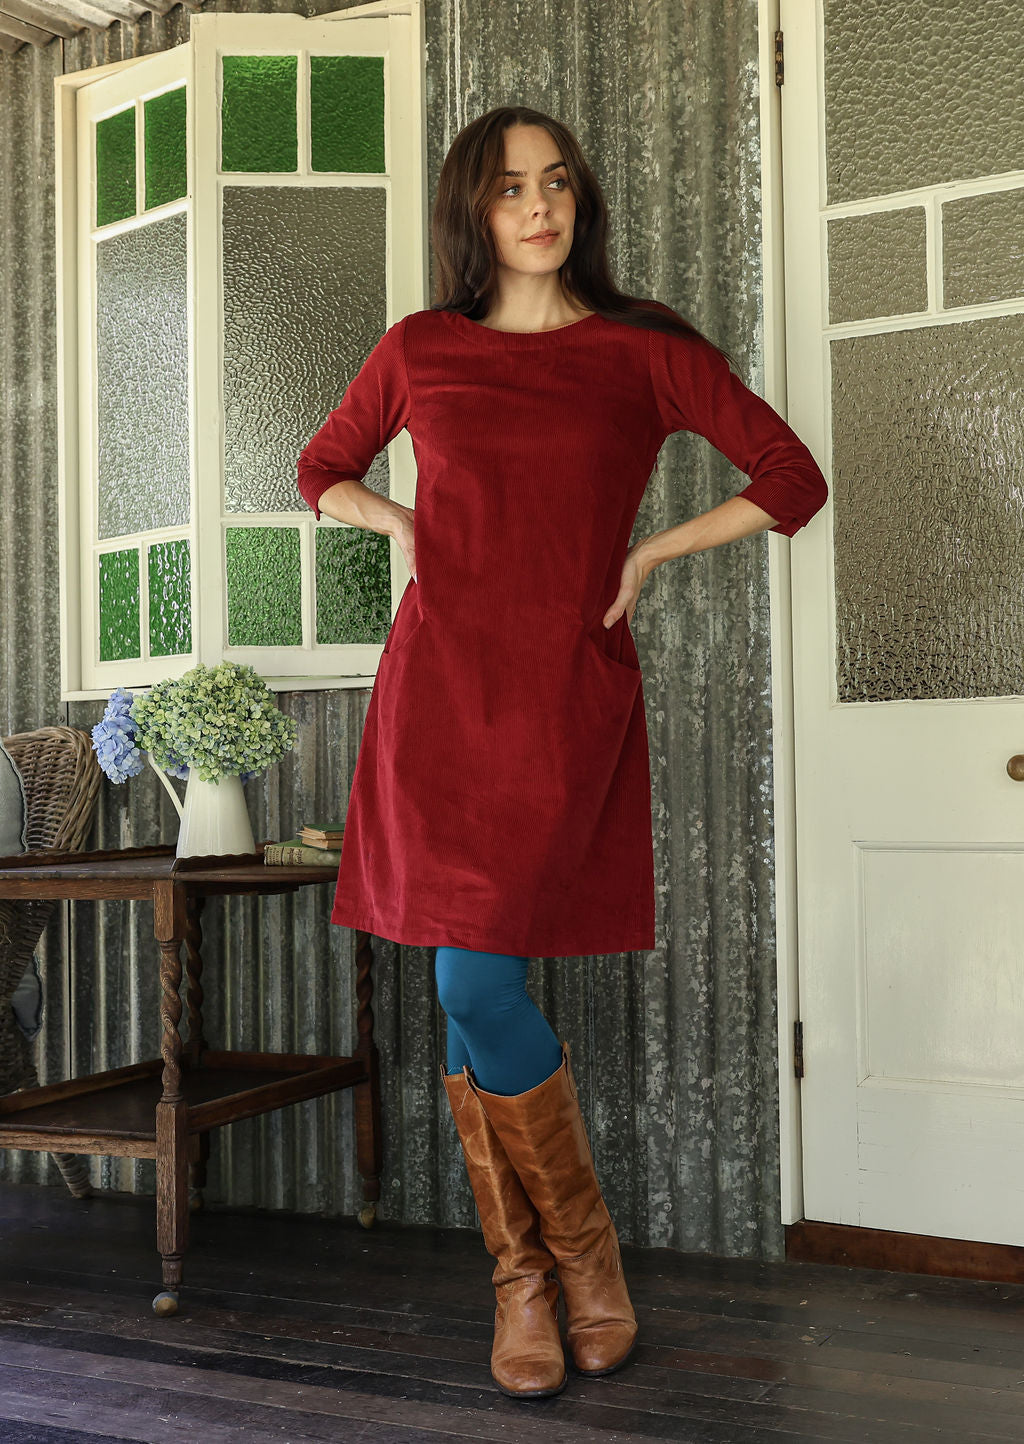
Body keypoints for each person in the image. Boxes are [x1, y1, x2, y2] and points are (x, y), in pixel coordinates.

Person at [297, 105, 828, 1401]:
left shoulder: (644, 350)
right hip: (437, 697)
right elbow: (320, 464)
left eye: (558, 184)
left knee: (474, 990)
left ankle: (567, 1266)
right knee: (466, 988)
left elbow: (791, 476)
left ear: (579, 200)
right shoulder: (421, 348)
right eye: (509, 189)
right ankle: (537, 1277)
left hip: (561, 703)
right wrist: (394, 519)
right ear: (472, 212)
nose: (539, 207)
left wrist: (650, 551)